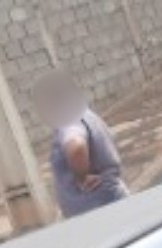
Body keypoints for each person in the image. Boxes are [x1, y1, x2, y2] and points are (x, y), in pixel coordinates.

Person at [35, 71, 128, 218]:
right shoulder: (86, 115)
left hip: (96, 210)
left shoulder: (69, 120)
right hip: (107, 202)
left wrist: (82, 178)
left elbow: (76, 146)